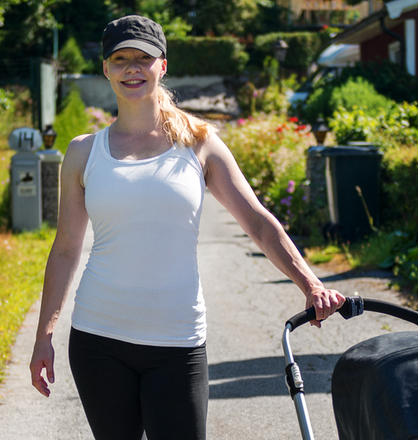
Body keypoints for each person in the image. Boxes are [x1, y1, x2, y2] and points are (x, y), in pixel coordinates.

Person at [30, 14, 345, 440]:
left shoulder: (199, 144)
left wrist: (311, 284)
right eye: (120, 59)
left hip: (177, 343)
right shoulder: (83, 152)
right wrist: (44, 335)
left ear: (163, 64)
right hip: (97, 340)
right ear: (106, 68)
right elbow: (66, 247)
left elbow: (257, 220)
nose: (132, 69)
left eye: (143, 58)